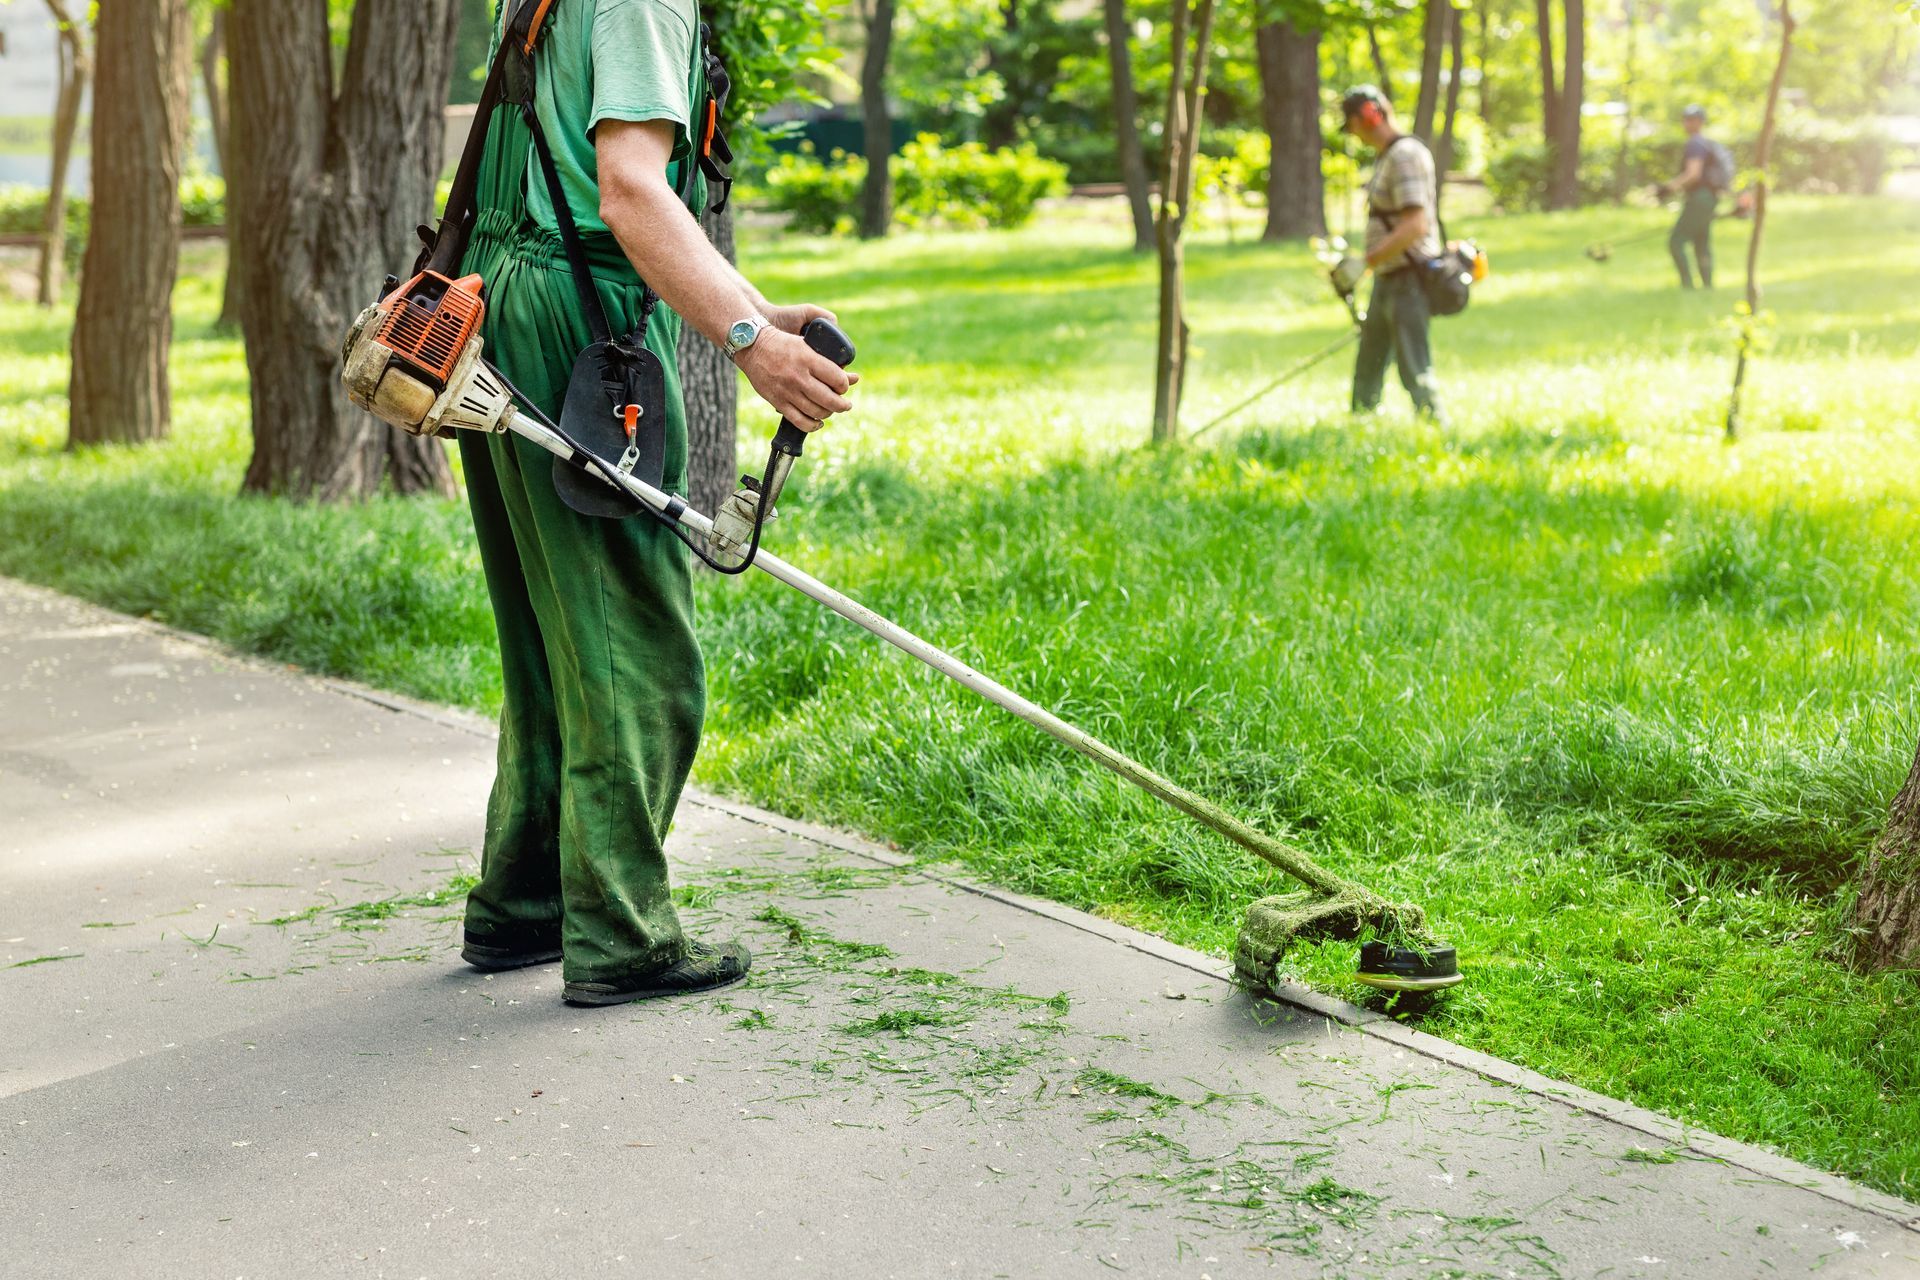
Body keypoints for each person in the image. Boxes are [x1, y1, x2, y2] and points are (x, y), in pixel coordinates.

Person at [454, 0, 856, 1005]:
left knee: (553, 639)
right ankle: (621, 934)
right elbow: (628, 195)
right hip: (583, 326)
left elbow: (567, 182)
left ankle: (525, 905)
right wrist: (752, 348)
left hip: (504, 301)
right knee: (636, 649)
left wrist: (750, 304)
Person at [1333, 85, 1443, 422]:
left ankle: (1436, 427)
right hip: (1387, 277)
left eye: (1351, 123)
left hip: (1407, 278)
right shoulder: (1388, 157)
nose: (1353, 133)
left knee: (1414, 365)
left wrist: (1365, 262)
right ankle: (1361, 426)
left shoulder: (1405, 155)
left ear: (1367, 116)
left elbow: (1415, 225)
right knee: (1369, 360)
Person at [1665, 105, 1726, 289]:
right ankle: (1707, 286)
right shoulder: (1706, 143)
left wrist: (1669, 187)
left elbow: (1693, 174)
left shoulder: (1695, 144)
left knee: (1676, 241)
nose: (1687, 123)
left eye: (1691, 119)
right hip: (1710, 198)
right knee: (1701, 241)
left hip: (1700, 198)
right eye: (1685, 119)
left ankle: (1688, 285)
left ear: (1700, 122)